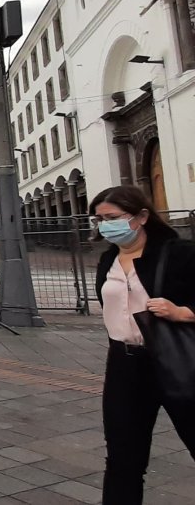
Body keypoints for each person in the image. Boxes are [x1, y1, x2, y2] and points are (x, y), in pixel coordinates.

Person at [88, 185, 195, 504]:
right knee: (123, 459)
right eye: (99, 219)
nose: (105, 225)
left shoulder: (178, 253)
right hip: (124, 365)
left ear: (142, 216)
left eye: (112, 217)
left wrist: (183, 312)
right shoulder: (108, 259)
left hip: (176, 360)